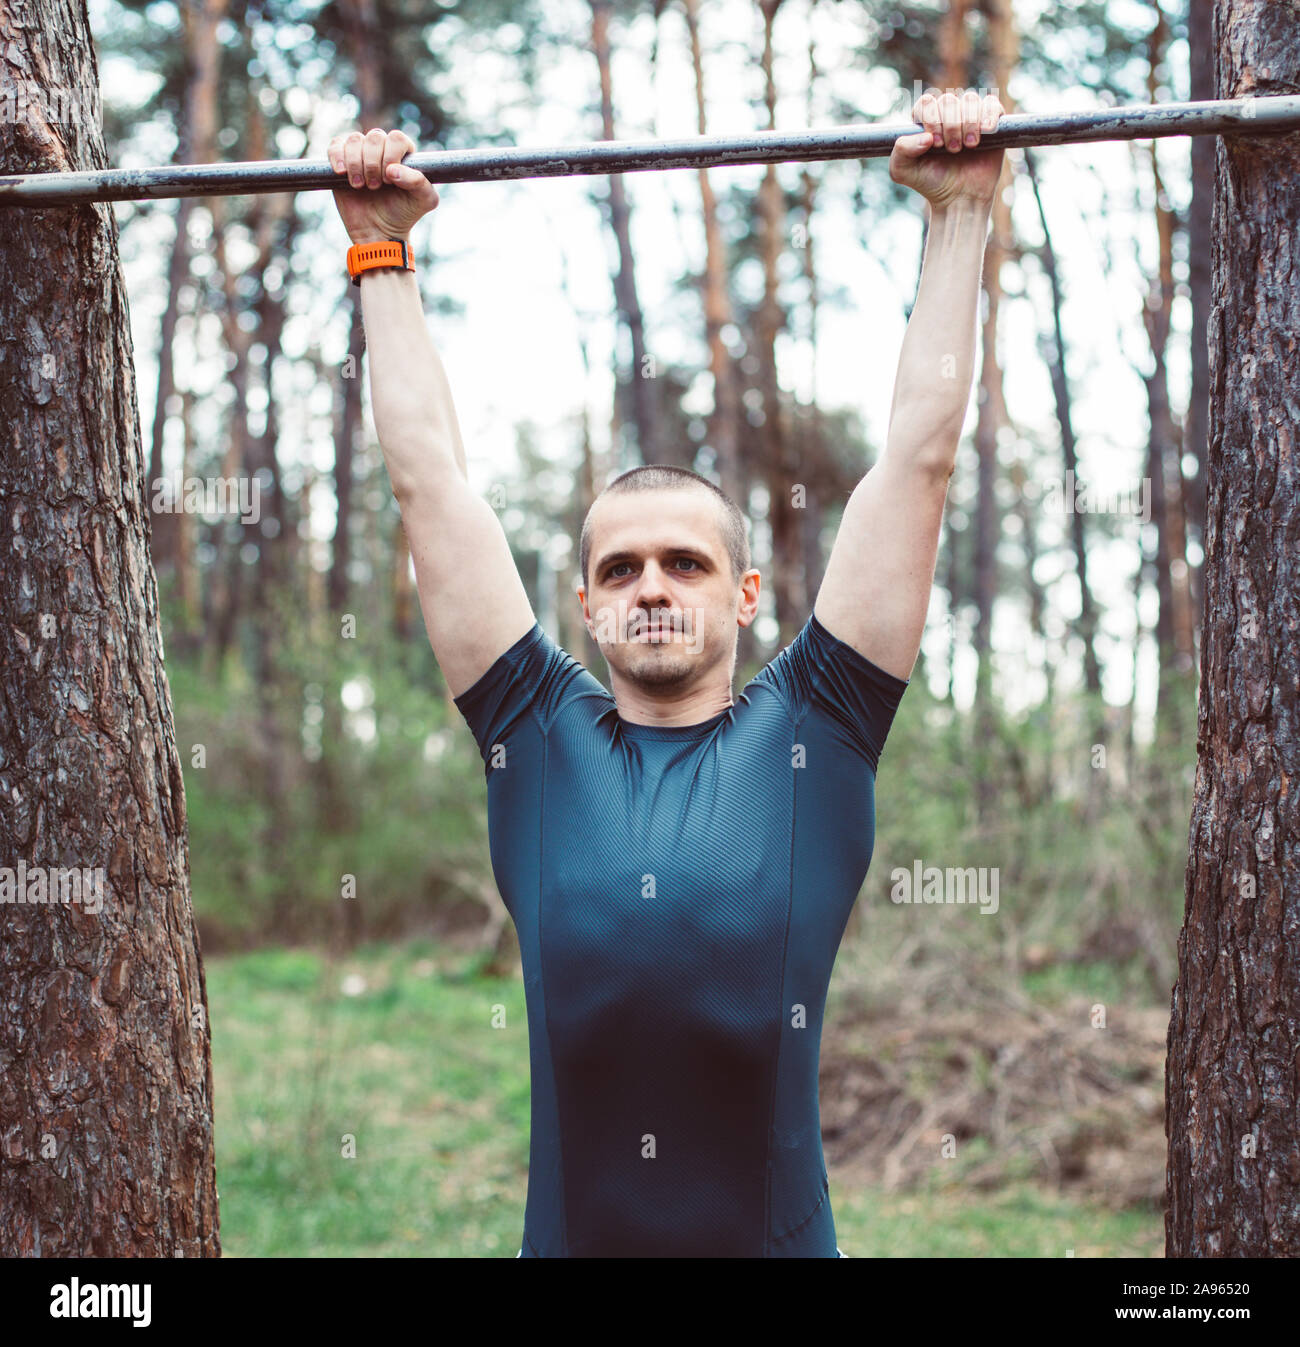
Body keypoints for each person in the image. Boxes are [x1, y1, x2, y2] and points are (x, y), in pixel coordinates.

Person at [328, 87, 1005, 1257]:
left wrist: (958, 216)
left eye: (686, 562)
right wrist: (380, 248)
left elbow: (918, 461)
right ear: (583, 604)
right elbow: (429, 481)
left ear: (744, 596)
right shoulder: (532, 735)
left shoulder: (819, 727)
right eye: (622, 566)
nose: (652, 585)